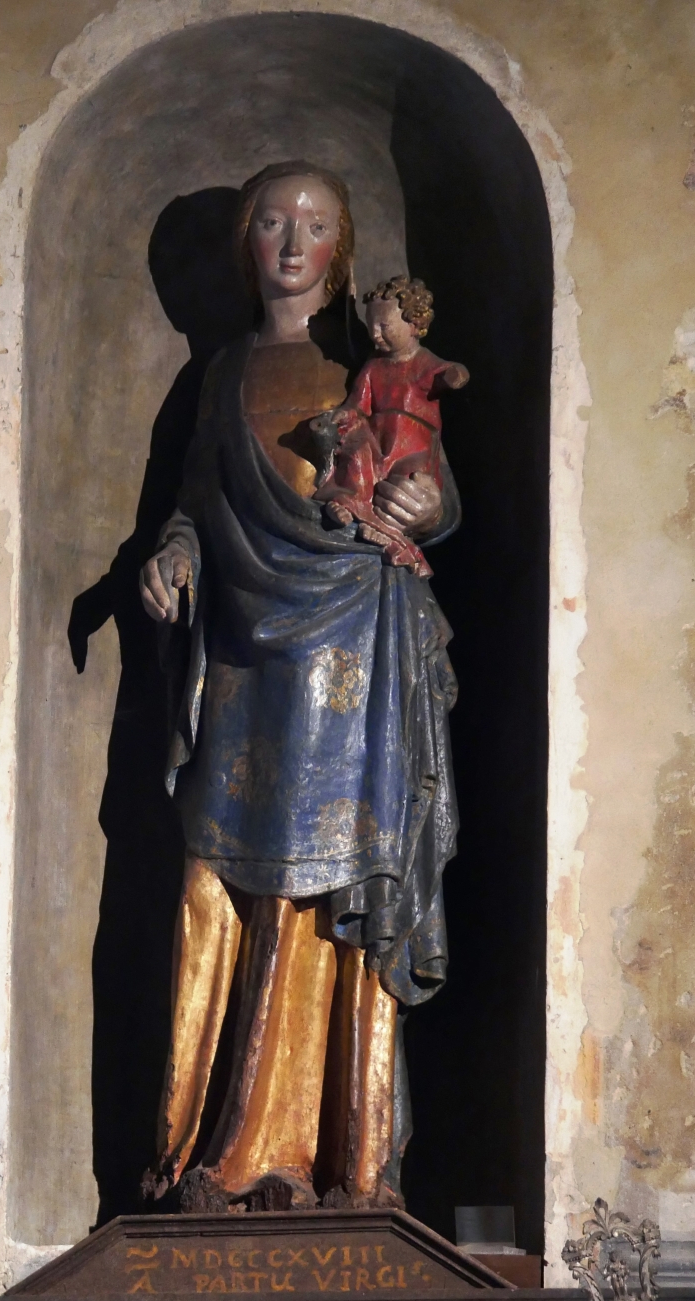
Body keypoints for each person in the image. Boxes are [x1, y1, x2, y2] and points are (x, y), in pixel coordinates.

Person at [138, 161, 460, 1213]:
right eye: (272, 222)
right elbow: (197, 497)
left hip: (354, 632)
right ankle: (210, 1148)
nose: (290, 242)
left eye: (313, 225)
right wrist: (174, 553)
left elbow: (427, 473)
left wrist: (424, 503)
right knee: (219, 877)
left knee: (329, 876)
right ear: (248, 242)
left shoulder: (363, 366)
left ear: (341, 248)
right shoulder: (222, 374)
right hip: (242, 641)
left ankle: (325, 1157)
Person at [310, 275, 469, 576]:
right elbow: (358, 402)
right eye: (371, 325)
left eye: (383, 326)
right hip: (378, 436)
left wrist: (453, 376)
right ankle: (351, 504)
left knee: (402, 489)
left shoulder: (422, 362)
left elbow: (446, 372)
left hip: (413, 445)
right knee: (357, 460)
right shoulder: (373, 366)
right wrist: (346, 414)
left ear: (414, 324)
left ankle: (386, 530)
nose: (375, 334)